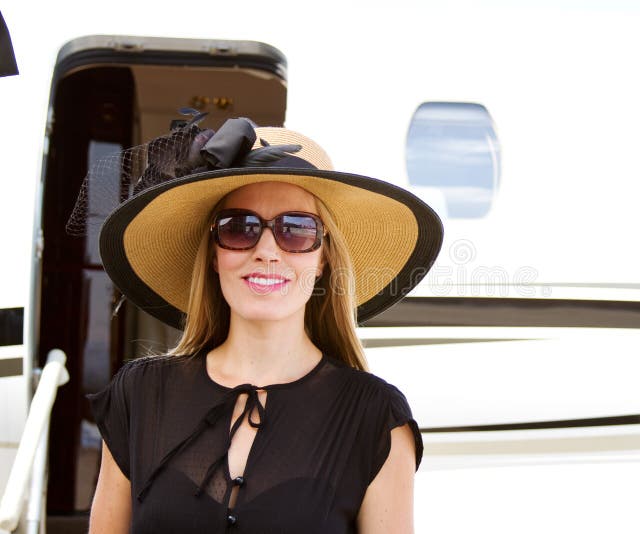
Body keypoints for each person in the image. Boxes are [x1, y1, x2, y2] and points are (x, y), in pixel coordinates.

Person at [77, 116, 443, 533]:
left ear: (323, 258)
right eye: (239, 228)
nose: (267, 251)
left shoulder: (376, 419)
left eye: (296, 229)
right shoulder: (139, 395)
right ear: (214, 255)